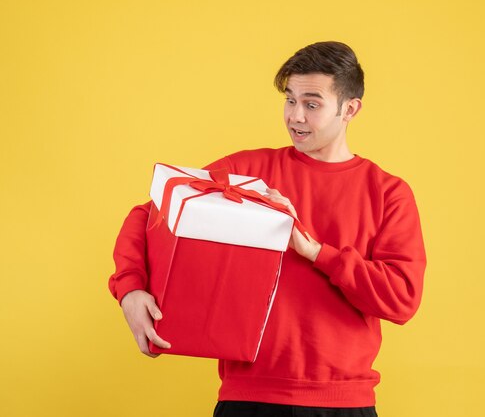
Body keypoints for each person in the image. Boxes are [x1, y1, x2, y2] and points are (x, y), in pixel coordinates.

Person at [109, 41, 427, 417]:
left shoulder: (388, 192)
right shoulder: (246, 174)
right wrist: (130, 289)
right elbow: (148, 214)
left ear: (350, 109)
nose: (295, 116)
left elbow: (402, 298)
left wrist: (315, 252)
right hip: (248, 398)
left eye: (312, 104)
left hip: (344, 403)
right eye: (289, 100)